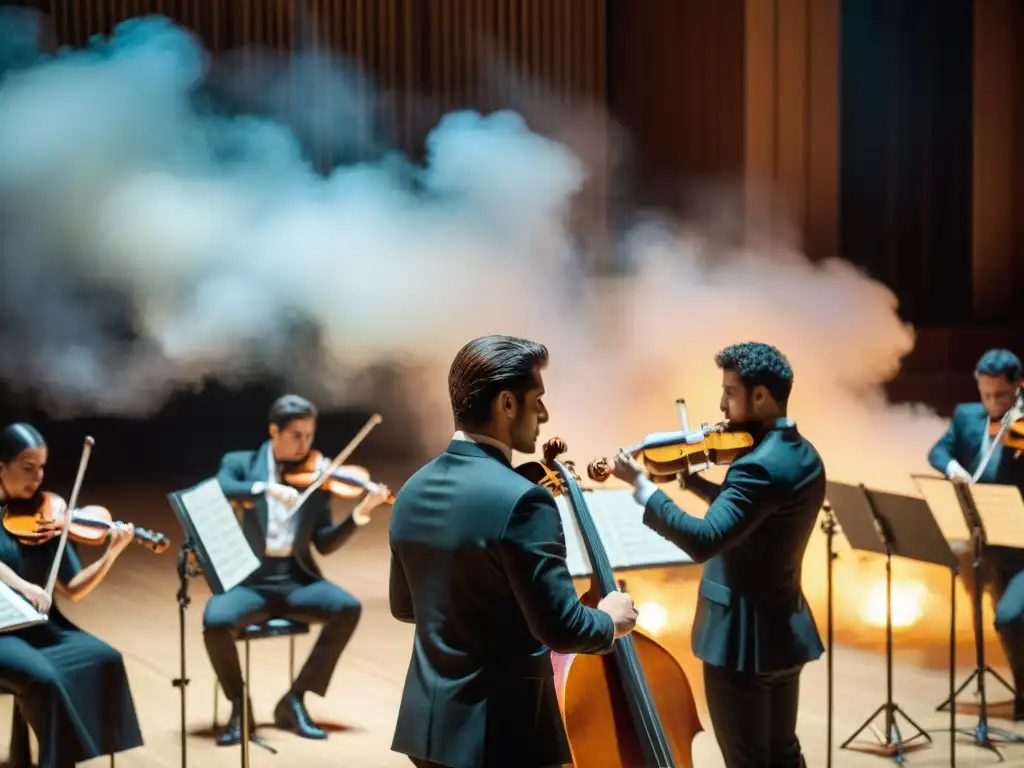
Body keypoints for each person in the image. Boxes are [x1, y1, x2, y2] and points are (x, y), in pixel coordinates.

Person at [388, 335, 639, 768]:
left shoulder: (412, 490)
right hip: (501, 734)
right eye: (536, 399)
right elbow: (562, 629)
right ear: (507, 403)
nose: (544, 414)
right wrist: (610, 620)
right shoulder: (525, 501)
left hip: (426, 730)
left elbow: (406, 606)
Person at [612, 341, 824, 768]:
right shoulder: (802, 455)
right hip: (783, 633)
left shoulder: (756, 466)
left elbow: (705, 539)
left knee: (745, 760)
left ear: (760, 396)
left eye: (729, 392)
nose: (721, 405)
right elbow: (752, 514)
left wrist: (644, 488)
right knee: (783, 753)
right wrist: (693, 484)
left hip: (741, 641)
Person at [204, 394, 391, 745]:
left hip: (295, 580)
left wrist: (360, 513)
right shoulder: (241, 463)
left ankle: (295, 698)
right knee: (215, 622)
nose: (305, 445)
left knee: (347, 608)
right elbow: (221, 487)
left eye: (310, 435)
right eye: (297, 436)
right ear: (275, 431)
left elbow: (324, 543)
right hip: (250, 584)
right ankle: (239, 706)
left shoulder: (318, 478)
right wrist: (265, 489)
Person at [0, 422, 143, 768]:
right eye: (27, 467)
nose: (37, 478)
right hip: (2, 633)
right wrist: (23, 585)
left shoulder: (46, 517)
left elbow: (74, 588)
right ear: (0, 466)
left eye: (42, 467)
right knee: (44, 679)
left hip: (41, 627)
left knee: (105, 658)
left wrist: (111, 554)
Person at [928, 347, 1024, 718]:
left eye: (1002, 395)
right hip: (989, 540)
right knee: (1004, 618)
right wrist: (953, 467)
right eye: (986, 394)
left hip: (1021, 541)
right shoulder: (968, 416)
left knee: (1010, 616)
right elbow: (938, 451)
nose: (994, 403)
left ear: (1018, 387)